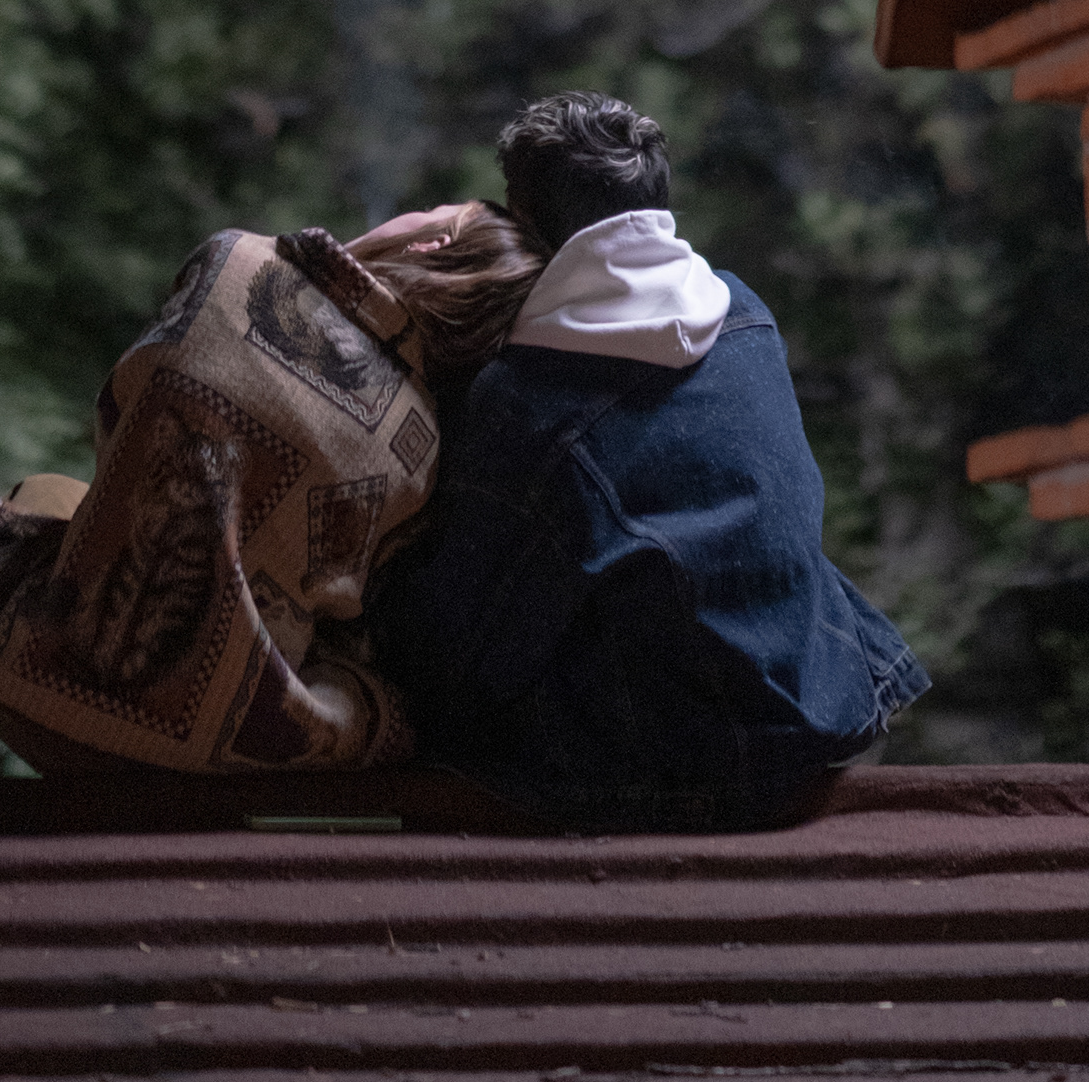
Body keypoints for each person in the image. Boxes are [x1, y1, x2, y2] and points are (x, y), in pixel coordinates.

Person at [369, 91, 930, 830]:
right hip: (817, 695)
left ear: (526, 218)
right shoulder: (741, 310)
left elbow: (467, 641)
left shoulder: (528, 397)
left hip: (679, 758)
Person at [0, 201, 543, 775]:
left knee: (44, 493)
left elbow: (116, 427)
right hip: (214, 760)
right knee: (385, 697)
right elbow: (350, 606)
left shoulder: (233, 261)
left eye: (431, 211)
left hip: (26, 690)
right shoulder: (421, 445)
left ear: (430, 243)